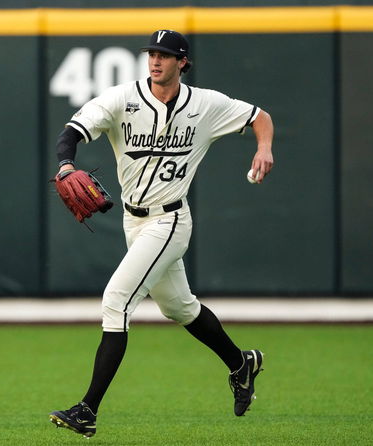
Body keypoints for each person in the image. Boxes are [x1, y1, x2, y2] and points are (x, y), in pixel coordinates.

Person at [49, 29, 274, 438]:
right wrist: (66, 165)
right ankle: (242, 364)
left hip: (170, 221)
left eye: (165, 55)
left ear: (182, 62)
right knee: (180, 309)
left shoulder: (206, 104)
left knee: (116, 302)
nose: (155, 60)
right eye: (152, 53)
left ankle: (87, 411)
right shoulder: (122, 98)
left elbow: (260, 116)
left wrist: (263, 147)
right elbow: (73, 131)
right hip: (133, 221)